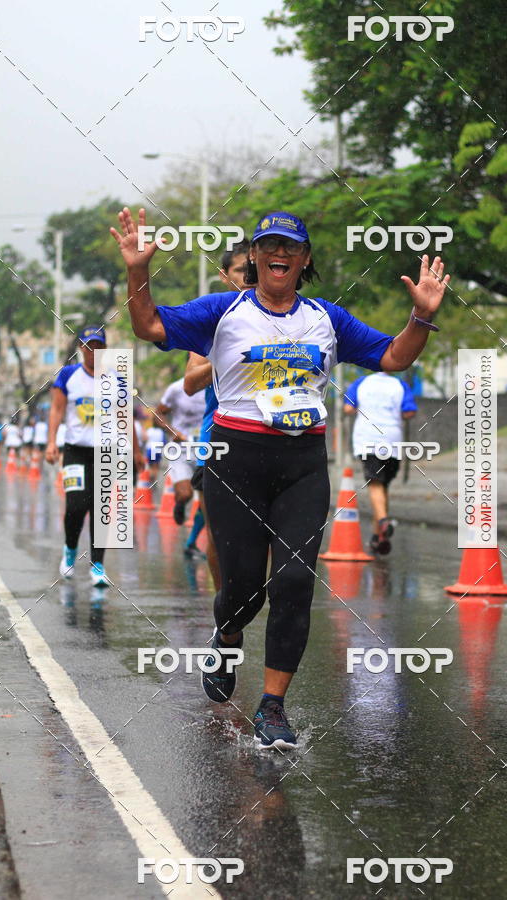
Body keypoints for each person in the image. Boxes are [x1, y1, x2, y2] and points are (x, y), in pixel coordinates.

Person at [112, 206, 449, 750]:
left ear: (305, 259)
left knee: (293, 583)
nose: (279, 255)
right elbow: (149, 325)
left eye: (291, 247)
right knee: (243, 589)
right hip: (235, 460)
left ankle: (272, 706)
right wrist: (136, 271)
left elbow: (392, 357)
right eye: (269, 246)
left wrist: (422, 318)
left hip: (301, 463)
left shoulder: (327, 318)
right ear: (254, 256)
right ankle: (226, 635)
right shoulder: (222, 311)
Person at [183, 239, 250, 581]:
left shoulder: (288, 318)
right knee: (219, 535)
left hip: (273, 440)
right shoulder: (212, 320)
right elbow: (191, 383)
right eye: (242, 270)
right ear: (225, 276)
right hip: (218, 440)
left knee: (262, 536)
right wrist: (227, 358)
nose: (250, 275)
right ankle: (225, 616)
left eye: (256, 268)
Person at [45, 326, 110, 587]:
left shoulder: (116, 378)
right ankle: (70, 551)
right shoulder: (69, 375)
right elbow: (57, 411)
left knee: (100, 511)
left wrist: (135, 452)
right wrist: (52, 443)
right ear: (81, 349)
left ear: (105, 350)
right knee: (75, 506)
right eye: (88, 346)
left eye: (98, 346)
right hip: (75, 451)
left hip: (105, 452)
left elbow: (122, 416)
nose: (93, 351)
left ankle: (98, 565)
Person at [344, 372, 418, 554]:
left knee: (374, 483)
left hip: (369, 438)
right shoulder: (400, 385)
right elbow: (409, 412)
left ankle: (383, 522)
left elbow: (348, 408)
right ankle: (378, 537)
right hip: (392, 440)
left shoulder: (360, 382)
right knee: (383, 486)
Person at [152, 376, 206, 524]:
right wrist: (172, 431)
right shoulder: (176, 388)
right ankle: (180, 503)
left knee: (209, 500)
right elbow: (158, 414)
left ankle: (193, 542)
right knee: (185, 494)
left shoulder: (216, 386)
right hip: (180, 449)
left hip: (207, 449)